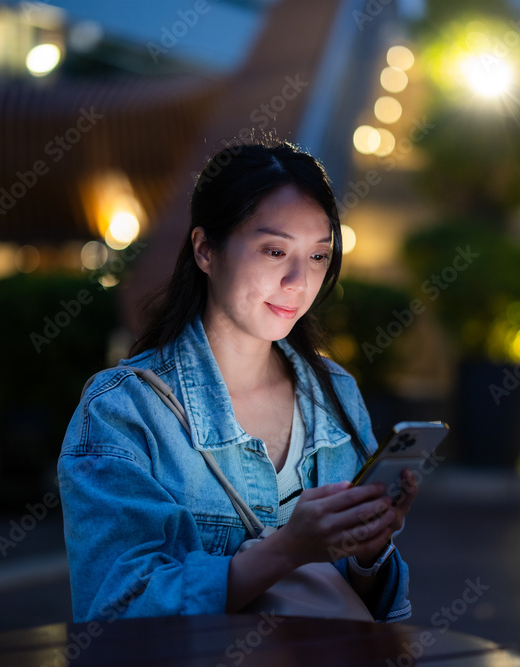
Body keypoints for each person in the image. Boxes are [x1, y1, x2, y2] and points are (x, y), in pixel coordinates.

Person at [58, 139, 416, 623]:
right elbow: (117, 607)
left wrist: (369, 554)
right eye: (274, 250)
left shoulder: (336, 393)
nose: (298, 281)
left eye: (317, 256)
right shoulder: (123, 410)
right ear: (205, 250)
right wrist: (287, 550)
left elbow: (374, 612)